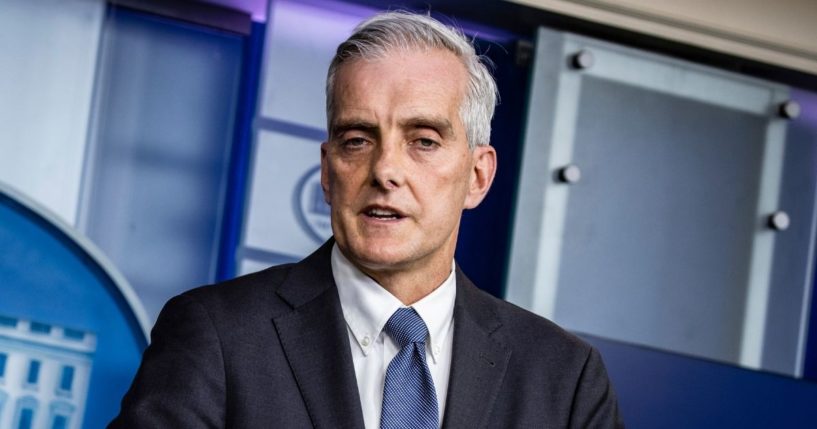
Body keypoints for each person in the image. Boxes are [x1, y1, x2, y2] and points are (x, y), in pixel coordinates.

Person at [109, 11, 623, 429]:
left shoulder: (565, 381)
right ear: (328, 172)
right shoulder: (216, 336)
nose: (385, 171)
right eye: (358, 140)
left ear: (477, 176)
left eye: (423, 141)